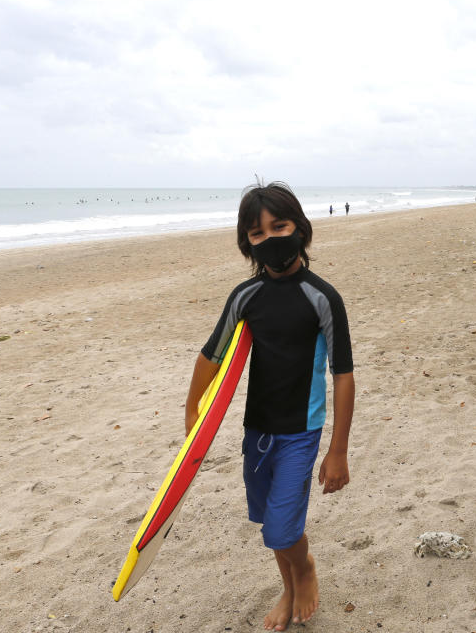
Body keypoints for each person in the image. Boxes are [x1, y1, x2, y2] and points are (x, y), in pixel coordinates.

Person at [185, 182, 355, 630]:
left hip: (301, 430)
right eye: (257, 235)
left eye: (278, 227)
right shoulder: (246, 296)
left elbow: (343, 374)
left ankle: (305, 570)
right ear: (248, 244)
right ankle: (289, 584)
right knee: (268, 523)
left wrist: (337, 449)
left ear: (300, 228)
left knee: (282, 528)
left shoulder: (323, 297)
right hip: (256, 429)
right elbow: (211, 355)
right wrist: (192, 415)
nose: (270, 239)